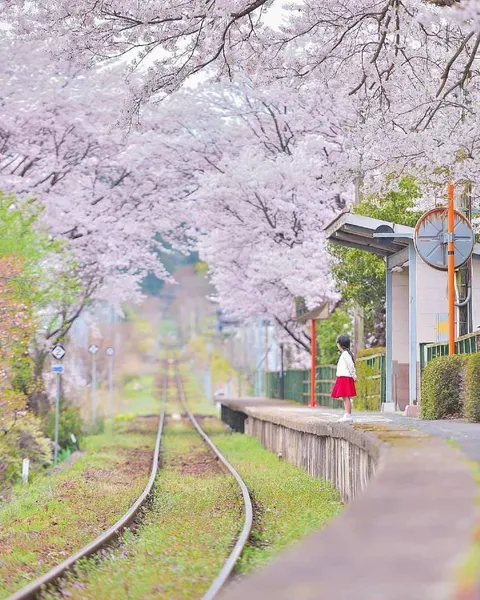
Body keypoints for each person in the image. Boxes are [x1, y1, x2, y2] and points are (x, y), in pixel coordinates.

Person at [331, 333, 357, 423]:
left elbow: (351, 366)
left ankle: (348, 415)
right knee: (345, 397)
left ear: (340, 344)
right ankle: (347, 414)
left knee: (346, 397)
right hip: (343, 377)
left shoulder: (345, 354)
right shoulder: (345, 354)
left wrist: (354, 376)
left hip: (345, 377)